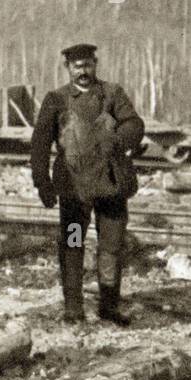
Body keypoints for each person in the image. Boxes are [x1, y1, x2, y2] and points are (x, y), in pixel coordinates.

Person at [30, 43, 144, 325]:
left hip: (111, 187)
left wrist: (118, 138)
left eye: (88, 65)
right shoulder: (55, 99)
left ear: (95, 64)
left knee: (112, 247)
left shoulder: (112, 94)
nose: (83, 71)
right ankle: (73, 307)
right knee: (71, 244)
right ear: (68, 69)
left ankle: (109, 306)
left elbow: (135, 124)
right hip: (72, 190)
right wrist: (42, 182)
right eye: (77, 66)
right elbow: (40, 144)